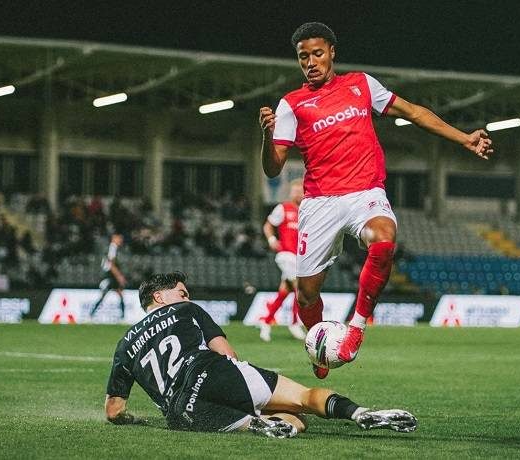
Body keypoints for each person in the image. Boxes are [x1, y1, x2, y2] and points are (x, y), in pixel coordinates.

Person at [259, 22, 494, 378]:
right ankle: (319, 349)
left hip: (365, 193)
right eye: (303, 57)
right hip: (320, 202)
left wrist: (463, 138)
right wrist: (267, 135)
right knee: (306, 295)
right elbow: (273, 168)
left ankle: (356, 328)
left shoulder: (361, 84)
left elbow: (413, 112)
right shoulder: (291, 104)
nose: (310, 62)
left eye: (317, 54)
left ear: (332, 52)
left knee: (384, 239)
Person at [102, 271, 417, 438]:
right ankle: (359, 414)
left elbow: (114, 411)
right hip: (211, 373)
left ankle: (255, 424)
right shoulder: (186, 309)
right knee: (302, 399)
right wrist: (241, 383)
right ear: (160, 296)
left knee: (292, 422)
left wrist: (134, 420)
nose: (187, 297)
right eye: (182, 292)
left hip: (181, 413)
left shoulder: (124, 346)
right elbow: (226, 353)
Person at [260, 178, 306, 342]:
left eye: (300, 191)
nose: (298, 194)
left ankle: (266, 322)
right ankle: (294, 323)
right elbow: (268, 225)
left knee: (284, 291)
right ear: (291, 192)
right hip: (286, 255)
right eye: (295, 191)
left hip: (299, 258)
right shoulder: (283, 208)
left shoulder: (306, 211)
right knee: (300, 289)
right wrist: (272, 239)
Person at [90, 234, 127, 319]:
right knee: (108, 294)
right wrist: (119, 276)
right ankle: (91, 314)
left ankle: (123, 316)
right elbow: (111, 265)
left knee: (119, 294)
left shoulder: (114, 248)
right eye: (119, 238)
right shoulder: (112, 248)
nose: (121, 240)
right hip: (109, 276)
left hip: (111, 276)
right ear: (114, 238)